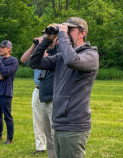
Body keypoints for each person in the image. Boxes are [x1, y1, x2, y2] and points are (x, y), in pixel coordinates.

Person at [29, 17, 99, 158]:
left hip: (74, 124)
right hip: (59, 122)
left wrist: (61, 34)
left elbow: (72, 60)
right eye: (64, 30)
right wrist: (47, 40)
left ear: (82, 33)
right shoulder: (61, 57)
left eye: (69, 30)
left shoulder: (91, 55)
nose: (65, 34)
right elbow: (34, 62)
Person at [0, 40, 18, 144]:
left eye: (3, 47)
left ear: (9, 49)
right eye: (0, 47)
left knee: (7, 116)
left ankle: (9, 138)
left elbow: (5, 72)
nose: (1, 49)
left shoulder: (13, 61)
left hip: (5, 92)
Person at [20, 38, 47, 153]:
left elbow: (47, 58)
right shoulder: (37, 54)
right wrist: (33, 46)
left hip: (50, 90)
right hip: (37, 89)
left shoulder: (53, 52)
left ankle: (53, 146)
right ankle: (40, 146)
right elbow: (23, 59)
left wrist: (44, 45)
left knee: (50, 120)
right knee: (37, 119)